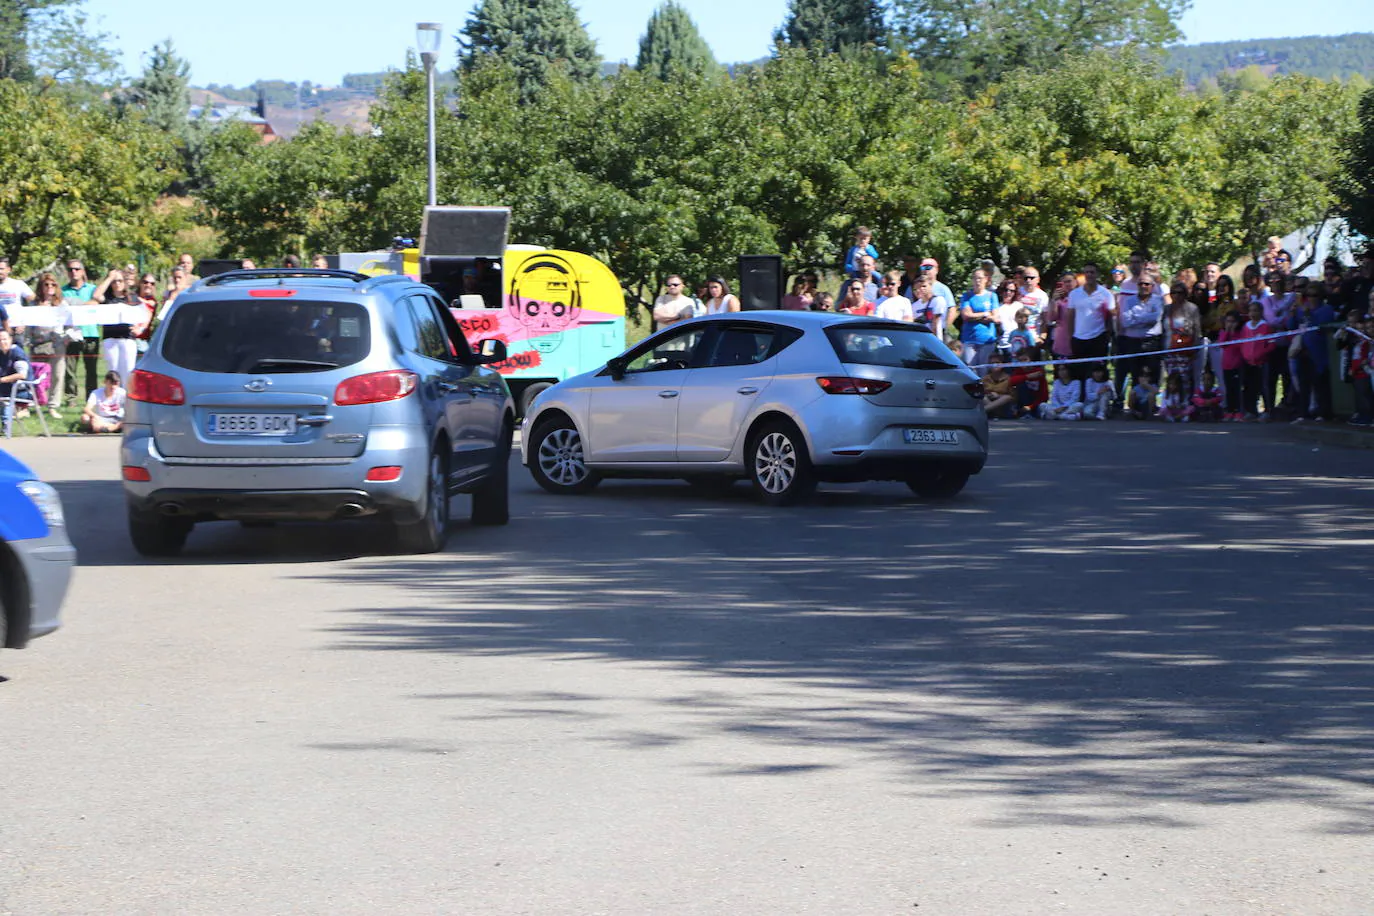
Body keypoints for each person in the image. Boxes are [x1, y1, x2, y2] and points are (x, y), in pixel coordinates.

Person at [15, 272, 72, 418]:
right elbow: (28, 325)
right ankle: (31, 404)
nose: (50, 287)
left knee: (57, 376)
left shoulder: (61, 304)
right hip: (38, 344)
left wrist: (68, 336)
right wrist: (27, 340)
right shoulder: (34, 304)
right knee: (37, 376)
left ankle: (53, 406)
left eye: (53, 284)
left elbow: (70, 323)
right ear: (41, 287)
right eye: (46, 284)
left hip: (57, 344)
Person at [1289, 282, 1337, 423]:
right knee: (1304, 383)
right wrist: (1292, 314)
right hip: (1302, 350)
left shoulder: (1326, 309)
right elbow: (1292, 326)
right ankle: (1303, 412)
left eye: (1314, 295)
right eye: (1308, 295)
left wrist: (1308, 314)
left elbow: (1323, 325)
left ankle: (1323, 412)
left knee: (1320, 383)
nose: (1311, 298)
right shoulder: (1301, 309)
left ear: (1320, 296)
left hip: (1318, 351)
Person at [1114, 275, 1162, 403]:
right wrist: (1146, 318)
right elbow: (1126, 321)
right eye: (1141, 284)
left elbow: (1155, 319)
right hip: (1133, 341)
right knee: (1135, 373)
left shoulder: (1158, 300)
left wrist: (1137, 318)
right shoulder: (1129, 301)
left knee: (1152, 373)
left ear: (1152, 286)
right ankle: (1135, 405)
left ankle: (1150, 404)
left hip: (1152, 341)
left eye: (1147, 284)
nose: (1143, 286)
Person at [93, 269, 142, 384]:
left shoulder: (132, 297)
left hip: (127, 339)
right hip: (110, 339)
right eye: (114, 281)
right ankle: (114, 399)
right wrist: (109, 277)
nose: (117, 284)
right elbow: (96, 295)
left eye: (120, 281)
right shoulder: (107, 298)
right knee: (113, 371)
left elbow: (144, 313)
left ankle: (126, 399)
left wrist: (140, 328)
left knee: (128, 372)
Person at [1066, 262, 1114, 379]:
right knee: (1079, 373)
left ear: (1097, 274)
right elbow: (1071, 317)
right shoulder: (1074, 294)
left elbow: (1112, 316)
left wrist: (1108, 336)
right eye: (1087, 272)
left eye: (1092, 272)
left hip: (1098, 338)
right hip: (1079, 339)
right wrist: (1071, 337)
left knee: (1098, 374)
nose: (1089, 275)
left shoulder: (1106, 294)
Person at [61, 259, 99, 403]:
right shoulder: (63, 291)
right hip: (71, 334)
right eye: (70, 269)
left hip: (90, 333)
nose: (74, 272)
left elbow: (97, 302)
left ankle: (92, 398)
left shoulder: (92, 289)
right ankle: (71, 398)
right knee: (70, 369)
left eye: (77, 269)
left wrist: (78, 305)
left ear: (82, 271)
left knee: (91, 370)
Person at [1161, 280, 1201, 393]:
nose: (1176, 295)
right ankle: (1172, 405)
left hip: (1185, 351)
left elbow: (1197, 331)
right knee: (1172, 381)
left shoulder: (1192, 309)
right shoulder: (1166, 309)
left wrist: (1194, 350)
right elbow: (1162, 330)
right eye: (1173, 292)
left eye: (1180, 292)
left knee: (1185, 380)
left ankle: (1186, 406)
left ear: (1185, 294)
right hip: (1169, 349)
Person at [1239, 300, 1275, 421]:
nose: (1253, 313)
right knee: (1250, 387)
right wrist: (1245, 355)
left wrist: (1261, 354)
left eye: (1255, 310)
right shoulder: (1246, 327)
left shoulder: (1265, 327)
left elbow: (1271, 345)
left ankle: (1268, 411)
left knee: (1264, 386)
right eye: (1251, 310)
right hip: (1248, 363)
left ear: (1261, 312)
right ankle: (1251, 411)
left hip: (1262, 362)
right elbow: (1242, 343)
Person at [959, 269, 998, 372]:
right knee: (970, 370)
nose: (977, 281)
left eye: (980, 278)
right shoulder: (967, 296)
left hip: (986, 339)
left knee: (984, 371)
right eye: (975, 278)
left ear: (986, 279)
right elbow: (966, 315)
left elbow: (995, 317)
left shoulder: (991, 296)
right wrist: (984, 314)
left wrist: (975, 316)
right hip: (969, 339)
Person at [1216, 310, 1245, 420]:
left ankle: (1237, 411)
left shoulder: (1240, 333)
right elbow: (1222, 344)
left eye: (1233, 321)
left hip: (1237, 365)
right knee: (1228, 389)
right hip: (1226, 365)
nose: (1230, 324)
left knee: (1236, 388)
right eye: (1228, 321)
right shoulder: (1223, 332)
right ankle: (1229, 410)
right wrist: (1228, 332)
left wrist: (1233, 333)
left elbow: (1240, 345)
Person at [0, 328, 30, 435]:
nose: (2, 342)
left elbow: (22, 374)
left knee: (3, 398)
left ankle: (6, 426)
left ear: (11, 339)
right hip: (5, 388)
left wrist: (2, 380)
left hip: (21, 390)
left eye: (4, 339)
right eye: (0, 340)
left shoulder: (17, 353)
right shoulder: (1, 354)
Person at [1009, 345, 1048, 418]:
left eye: (1025, 360)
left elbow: (1044, 395)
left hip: (1036, 403)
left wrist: (1031, 406)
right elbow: (1011, 381)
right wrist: (1027, 377)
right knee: (1020, 385)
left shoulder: (1038, 372)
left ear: (1031, 360)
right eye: (1020, 360)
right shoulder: (1018, 371)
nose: (1023, 363)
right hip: (1022, 402)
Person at [0, 257, 35, 333]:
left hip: (17, 326)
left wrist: (25, 322)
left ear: (8, 269)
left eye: (1, 269)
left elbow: (33, 302)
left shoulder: (18, 284)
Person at [1015, 267, 1049, 336]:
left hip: (1034, 335)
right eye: (1026, 278)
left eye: (1031, 278)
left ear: (1038, 280)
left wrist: (1042, 337)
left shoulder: (1043, 296)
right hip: (1016, 334)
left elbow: (1045, 319)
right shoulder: (1016, 291)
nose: (1028, 280)